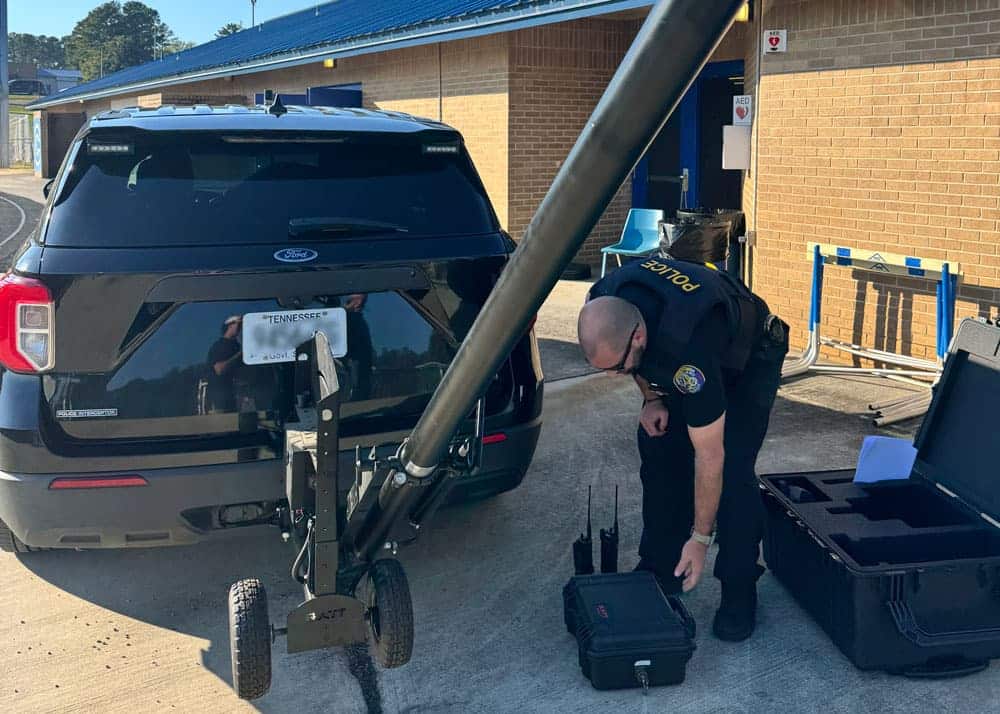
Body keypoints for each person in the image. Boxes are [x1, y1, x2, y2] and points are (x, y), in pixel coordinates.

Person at [577, 255, 788, 642]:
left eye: (617, 368)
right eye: (603, 369)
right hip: (680, 353)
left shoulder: (688, 346)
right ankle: (660, 565)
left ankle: (739, 590)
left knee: (733, 474)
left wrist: (701, 539)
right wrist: (651, 399)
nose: (612, 376)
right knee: (658, 446)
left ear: (638, 336)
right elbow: (637, 366)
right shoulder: (604, 300)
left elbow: (710, 457)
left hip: (747, 359)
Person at [206, 315, 244, 413]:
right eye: (239, 324)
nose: (241, 328)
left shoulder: (238, 345)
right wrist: (240, 354)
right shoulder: (218, 346)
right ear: (229, 325)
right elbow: (219, 369)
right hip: (221, 402)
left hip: (240, 400)